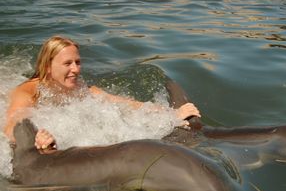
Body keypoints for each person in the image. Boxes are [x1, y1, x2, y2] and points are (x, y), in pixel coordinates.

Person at [3, 35, 201, 153]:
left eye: (77, 62)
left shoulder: (79, 88)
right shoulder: (28, 91)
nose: (76, 69)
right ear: (47, 67)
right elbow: (13, 122)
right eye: (67, 64)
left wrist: (169, 114)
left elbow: (124, 104)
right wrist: (34, 138)